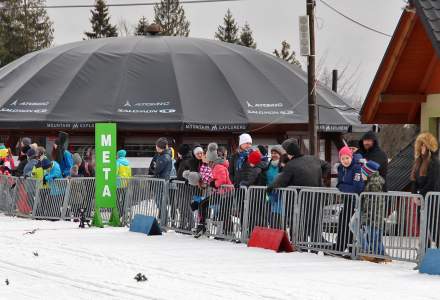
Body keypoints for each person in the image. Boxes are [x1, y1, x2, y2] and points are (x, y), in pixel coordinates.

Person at [411, 132, 440, 250]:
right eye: (420, 145)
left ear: (429, 146)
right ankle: (423, 253)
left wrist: (420, 195)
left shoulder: (435, 162)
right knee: (422, 228)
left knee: (434, 229)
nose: (422, 147)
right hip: (421, 201)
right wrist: (414, 195)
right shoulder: (418, 162)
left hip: (432, 201)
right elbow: (414, 180)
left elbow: (433, 183)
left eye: (424, 145)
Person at [335, 146, 364, 253]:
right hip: (347, 200)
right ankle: (341, 246)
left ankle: (353, 248)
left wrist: (344, 187)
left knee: (352, 224)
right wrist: (346, 187)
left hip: (356, 201)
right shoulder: (340, 168)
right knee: (343, 221)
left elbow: (358, 187)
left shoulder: (357, 168)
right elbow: (339, 185)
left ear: (351, 157)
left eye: (347, 158)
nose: (345, 161)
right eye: (343, 159)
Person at [264, 145, 286, 228]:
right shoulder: (268, 165)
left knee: (276, 217)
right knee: (270, 217)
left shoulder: (283, 166)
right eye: (272, 153)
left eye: (275, 153)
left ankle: (279, 236)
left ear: (280, 154)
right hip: (270, 194)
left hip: (280, 195)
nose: (273, 155)